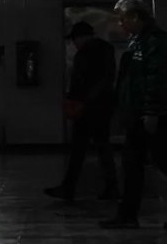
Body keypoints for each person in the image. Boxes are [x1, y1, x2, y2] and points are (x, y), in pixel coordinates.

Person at [100, 0, 167, 231]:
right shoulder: (140, 41)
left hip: (151, 116)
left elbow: (157, 79)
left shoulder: (155, 42)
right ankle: (128, 214)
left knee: (166, 162)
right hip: (140, 115)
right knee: (133, 164)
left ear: (136, 17)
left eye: (123, 19)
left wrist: (152, 112)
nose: (121, 24)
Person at [45, 21, 120, 201]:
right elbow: (108, 78)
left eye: (74, 40)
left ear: (80, 37)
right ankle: (111, 187)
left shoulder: (84, 54)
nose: (74, 43)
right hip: (104, 106)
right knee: (102, 147)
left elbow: (81, 82)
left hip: (87, 108)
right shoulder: (107, 50)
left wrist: (78, 101)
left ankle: (69, 188)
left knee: (79, 149)